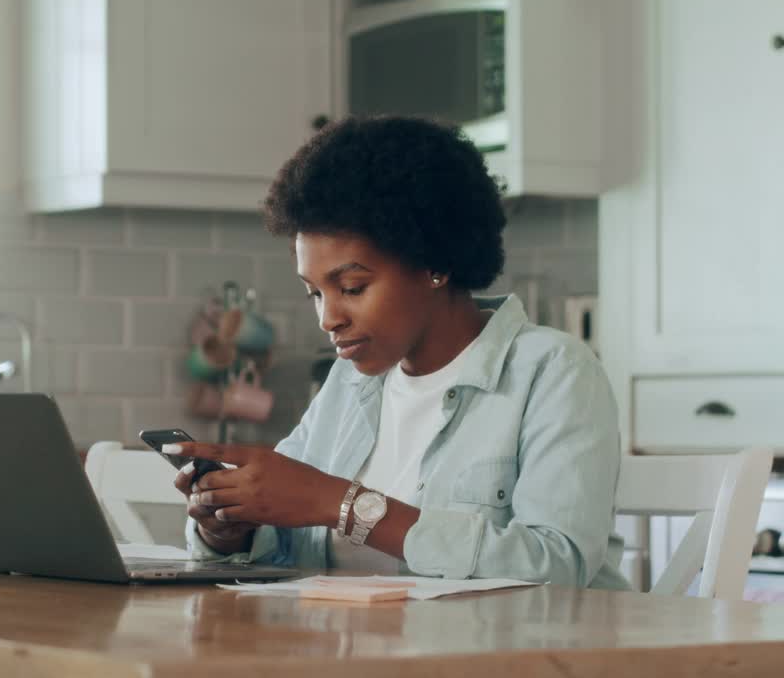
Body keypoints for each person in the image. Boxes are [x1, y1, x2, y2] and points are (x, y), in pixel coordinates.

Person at [168, 114, 630, 589]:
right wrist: (228, 529)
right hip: (356, 654)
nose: (328, 318)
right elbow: (289, 543)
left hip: (508, 659)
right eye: (315, 293)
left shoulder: (552, 372)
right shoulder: (349, 383)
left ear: (436, 263)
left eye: (352, 286)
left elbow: (558, 568)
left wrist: (342, 505)